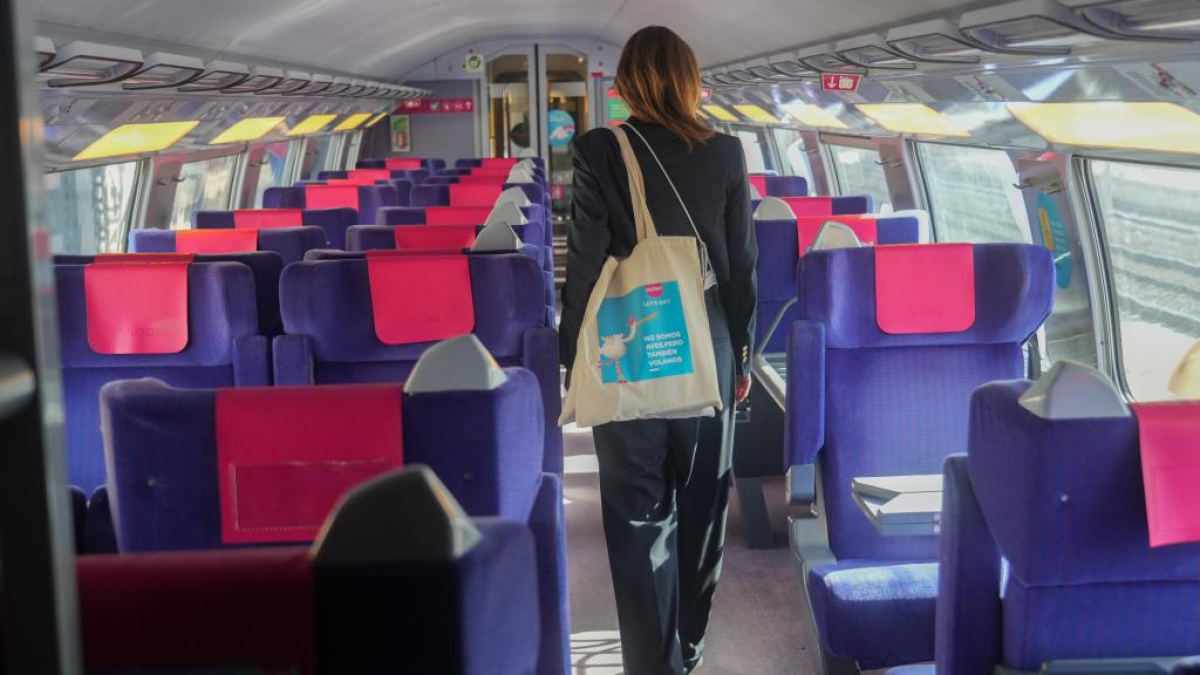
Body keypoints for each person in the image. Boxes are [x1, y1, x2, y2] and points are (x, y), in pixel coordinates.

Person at [559, 25, 757, 675]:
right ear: (690, 79)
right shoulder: (726, 152)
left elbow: (586, 262)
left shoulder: (597, 149)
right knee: (702, 506)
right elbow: (742, 268)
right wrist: (743, 358)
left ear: (629, 82)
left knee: (638, 512)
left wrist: (572, 355)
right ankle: (691, 645)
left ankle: (653, 664)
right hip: (710, 339)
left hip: (633, 337)